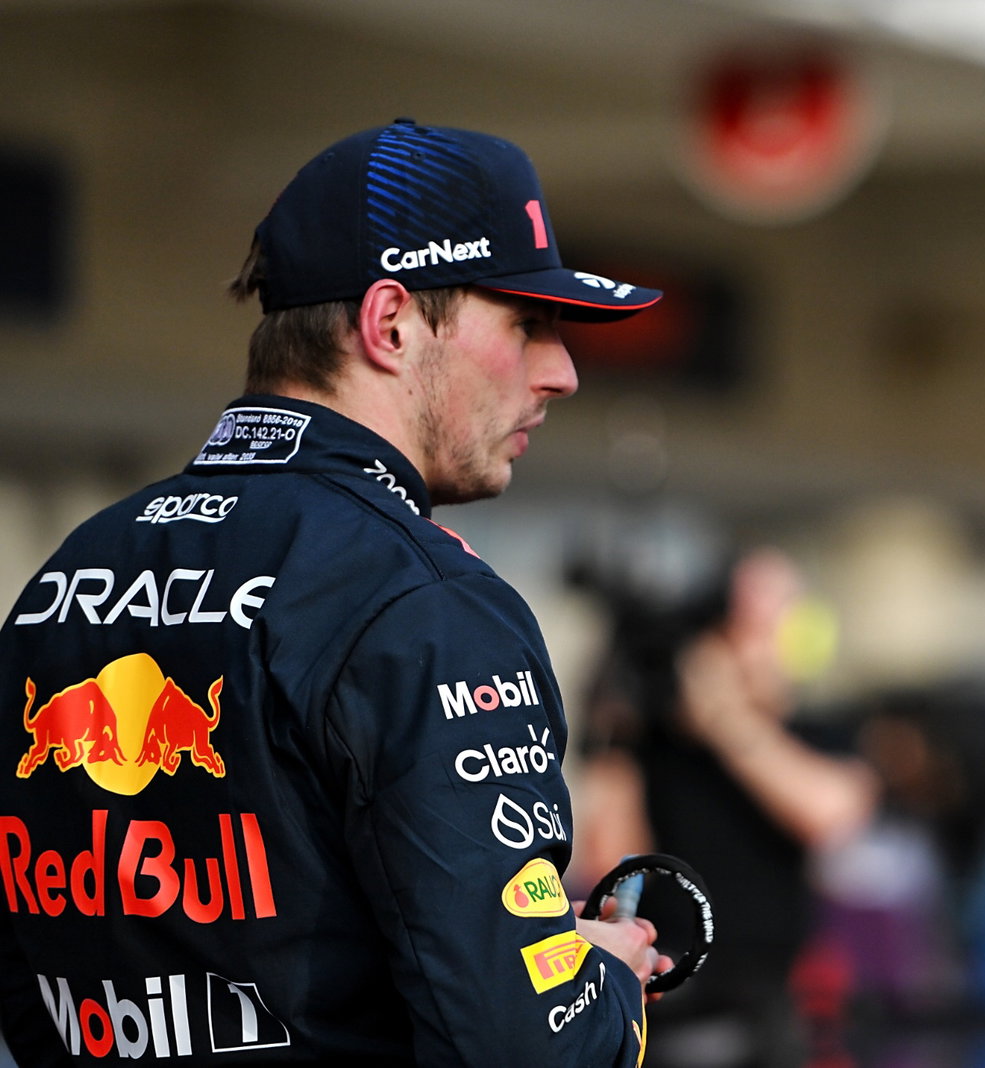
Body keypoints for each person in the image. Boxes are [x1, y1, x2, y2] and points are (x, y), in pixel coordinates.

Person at [0, 118, 673, 1065]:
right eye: (527, 323)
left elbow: (22, 979)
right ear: (390, 323)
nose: (559, 372)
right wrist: (598, 980)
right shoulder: (422, 599)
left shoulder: (69, 576)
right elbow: (520, 1044)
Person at [575, 545, 879, 1068]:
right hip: (672, 993)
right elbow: (606, 858)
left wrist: (725, 715)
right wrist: (616, 726)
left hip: (772, 1005)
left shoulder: (817, 729)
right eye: (749, 623)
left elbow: (833, 813)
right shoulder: (660, 740)